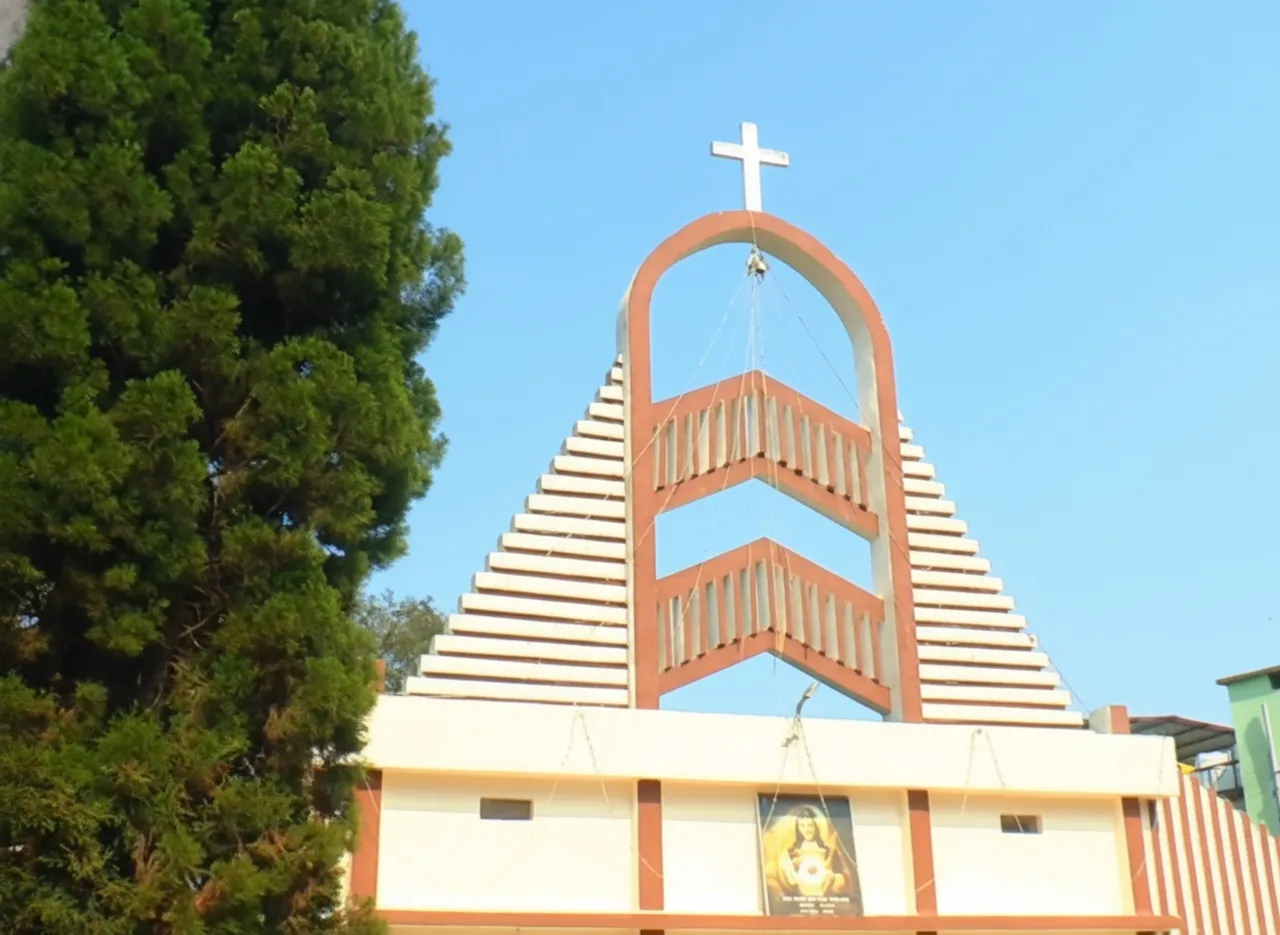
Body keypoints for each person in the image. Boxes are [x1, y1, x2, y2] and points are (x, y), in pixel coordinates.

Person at [774, 805, 848, 898]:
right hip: (802, 883)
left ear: (815, 827)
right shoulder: (792, 851)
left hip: (821, 883)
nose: (807, 830)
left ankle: (818, 897)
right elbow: (790, 873)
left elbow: (830, 869)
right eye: (802, 826)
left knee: (833, 877)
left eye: (810, 825)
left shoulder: (825, 849)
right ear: (798, 829)